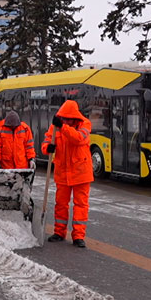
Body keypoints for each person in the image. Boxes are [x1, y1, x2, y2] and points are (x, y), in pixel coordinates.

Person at [41, 100, 93, 248]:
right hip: (62, 171)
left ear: (75, 118)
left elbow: (78, 139)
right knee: (61, 204)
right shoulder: (56, 127)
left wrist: (62, 127)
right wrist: (47, 148)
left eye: (67, 118)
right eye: (63, 118)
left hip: (81, 172)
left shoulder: (85, 125)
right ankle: (59, 232)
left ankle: (78, 236)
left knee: (80, 205)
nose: (65, 121)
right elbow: (46, 141)